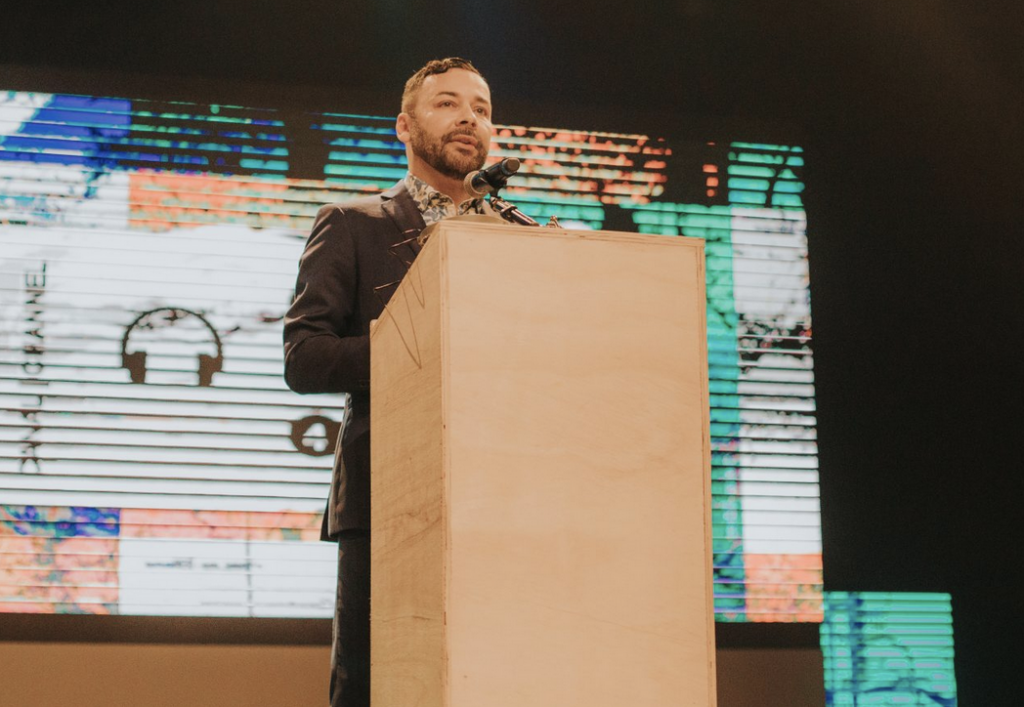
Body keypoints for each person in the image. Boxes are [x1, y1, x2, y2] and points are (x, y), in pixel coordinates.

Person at [283, 57, 496, 707]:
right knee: (375, 684)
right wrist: (419, 351)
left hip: (498, 500)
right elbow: (305, 356)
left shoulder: (515, 238)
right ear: (403, 127)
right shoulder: (352, 224)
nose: (468, 118)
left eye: (483, 109)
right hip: (386, 498)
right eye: (448, 104)